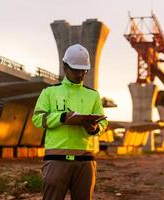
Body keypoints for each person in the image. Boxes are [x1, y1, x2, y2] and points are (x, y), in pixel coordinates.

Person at [32, 44, 108, 200]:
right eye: (76, 70)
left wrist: (94, 128)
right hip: (56, 160)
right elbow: (37, 119)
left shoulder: (93, 95)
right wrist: (61, 117)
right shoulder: (50, 92)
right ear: (65, 66)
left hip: (85, 161)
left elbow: (103, 123)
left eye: (84, 70)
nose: (80, 74)